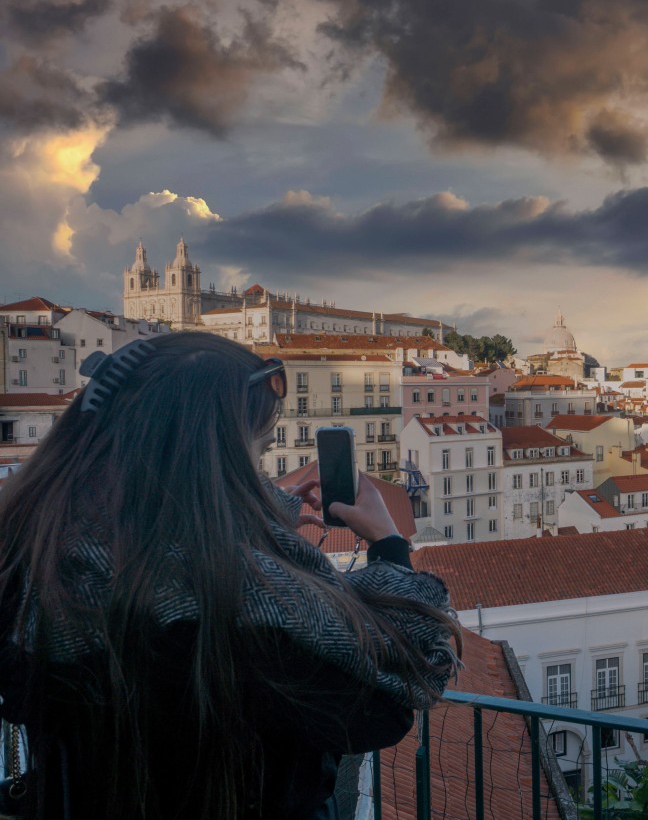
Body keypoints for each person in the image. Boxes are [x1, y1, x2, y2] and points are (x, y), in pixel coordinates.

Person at [0, 332, 460, 819]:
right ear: (208, 458)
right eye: (255, 454)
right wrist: (389, 544)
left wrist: (265, 514)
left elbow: (156, 516)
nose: (256, 474)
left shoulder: (33, 558)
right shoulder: (246, 605)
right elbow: (389, 699)